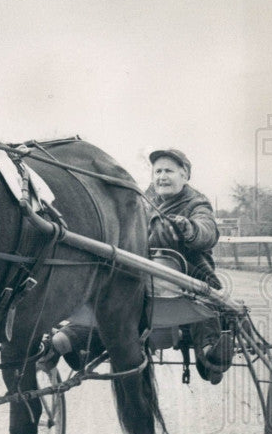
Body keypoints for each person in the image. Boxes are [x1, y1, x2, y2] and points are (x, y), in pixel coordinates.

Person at [38, 148, 233, 383]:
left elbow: (207, 230)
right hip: (141, 277)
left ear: (185, 175)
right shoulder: (143, 199)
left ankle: (210, 353)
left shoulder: (196, 203)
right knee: (114, 302)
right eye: (157, 171)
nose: (162, 176)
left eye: (169, 171)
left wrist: (188, 228)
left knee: (204, 301)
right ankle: (67, 342)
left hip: (186, 279)